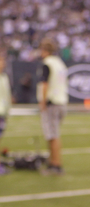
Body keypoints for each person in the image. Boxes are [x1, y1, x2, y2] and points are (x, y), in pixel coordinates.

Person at [37, 38, 68, 175]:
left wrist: (42, 101)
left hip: (52, 102)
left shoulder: (47, 63)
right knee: (54, 134)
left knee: (52, 135)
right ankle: (53, 162)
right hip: (61, 101)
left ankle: (55, 164)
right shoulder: (60, 63)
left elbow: (45, 84)